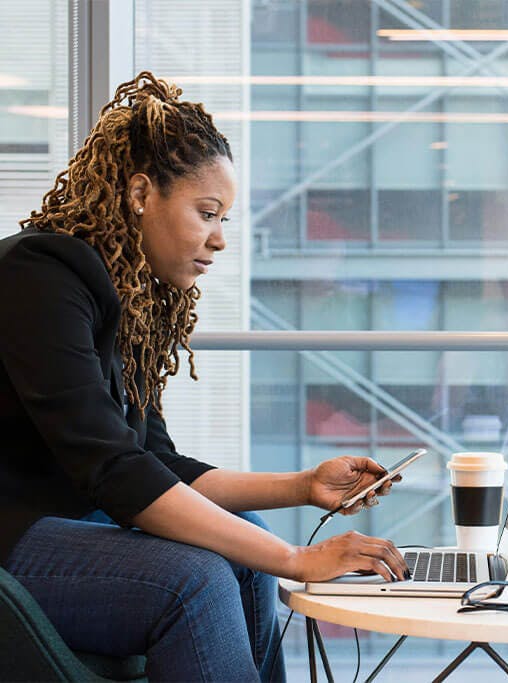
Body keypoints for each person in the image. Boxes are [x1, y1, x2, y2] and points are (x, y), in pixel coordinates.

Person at [0, 71, 408, 682]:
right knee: (195, 579)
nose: (219, 240)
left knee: (244, 542)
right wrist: (296, 558)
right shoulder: (40, 275)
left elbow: (154, 464)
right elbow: (114, 471)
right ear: (141, 194)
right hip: (12, 537)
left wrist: (303, 485)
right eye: (207, 212)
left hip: (62, 526)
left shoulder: (127, 298)